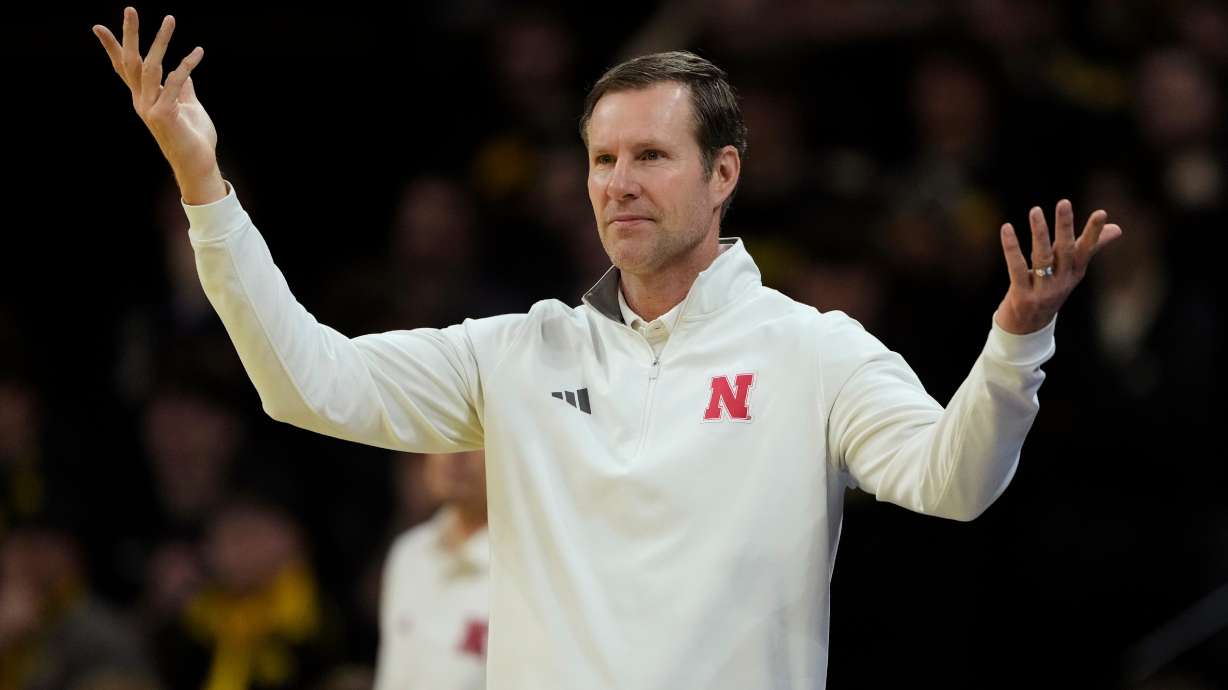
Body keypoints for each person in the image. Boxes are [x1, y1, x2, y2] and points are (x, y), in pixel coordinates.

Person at [93, 8, 1123, 689]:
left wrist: (1013, 349)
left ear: (723, 174)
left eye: (649, 157)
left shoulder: (814, 352)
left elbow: (955, 481)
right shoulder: (520, 351)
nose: (618, 182)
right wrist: (203, 184)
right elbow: (303, 381)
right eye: (600, 159)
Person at [375, 450, 489, 690]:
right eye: (444, 426)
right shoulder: (409, 553)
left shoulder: (528, 568)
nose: (455, 453)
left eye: (478, 439)